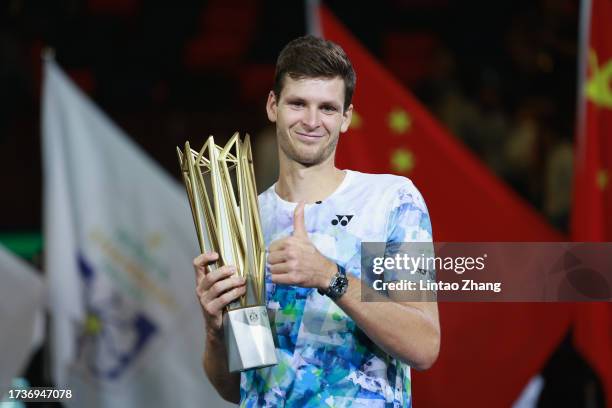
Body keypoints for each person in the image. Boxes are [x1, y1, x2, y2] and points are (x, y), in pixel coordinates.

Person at [193, 35, 440, 407]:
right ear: (273, 106)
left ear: (346, 118)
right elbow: (238, 389)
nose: (312, 121)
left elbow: (423, 346)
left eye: (327, 108)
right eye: (298, 103)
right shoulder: (246, 220)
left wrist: (329, 275)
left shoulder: (392, 201)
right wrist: (215, 331)